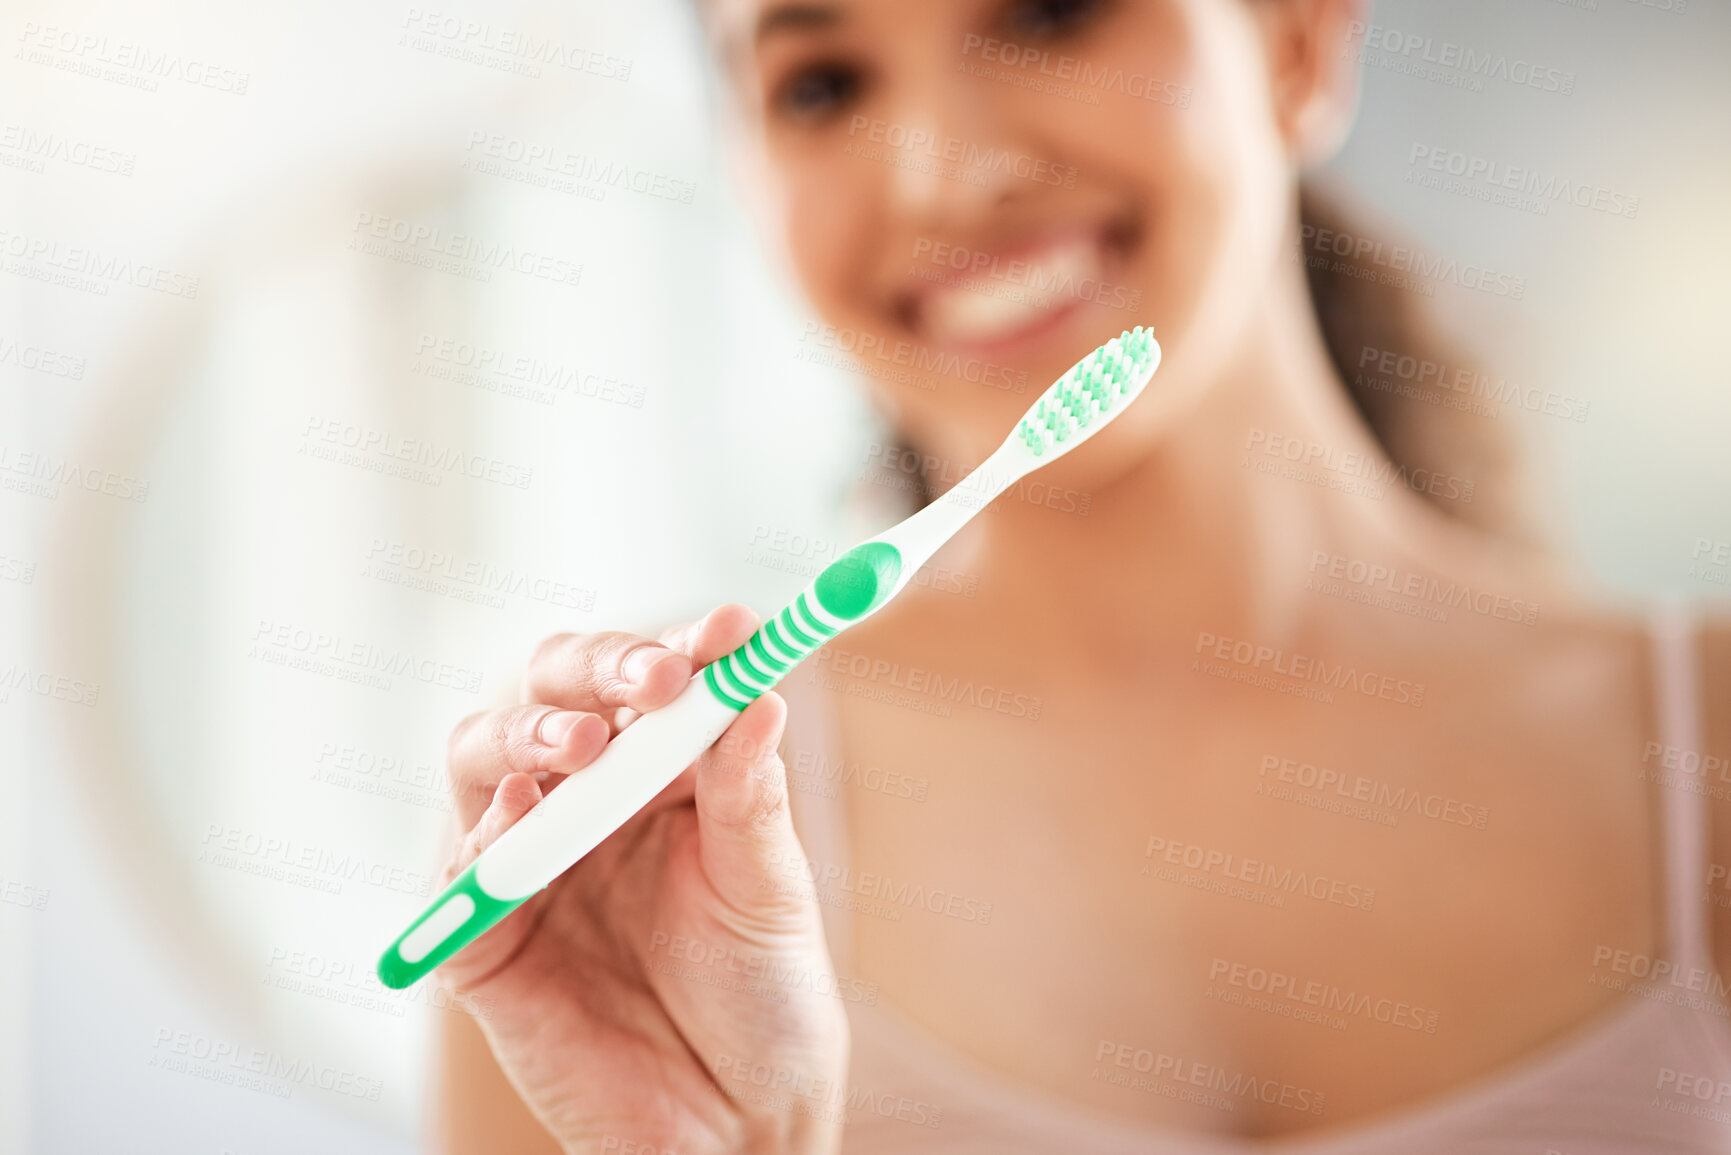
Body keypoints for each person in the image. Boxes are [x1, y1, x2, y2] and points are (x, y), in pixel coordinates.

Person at [430, 0, 1731, 1150]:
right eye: (824, 85)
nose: (949, 172)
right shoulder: (647, 830)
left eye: (1054, 14)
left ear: (1298, 39)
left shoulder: (1708, 747)